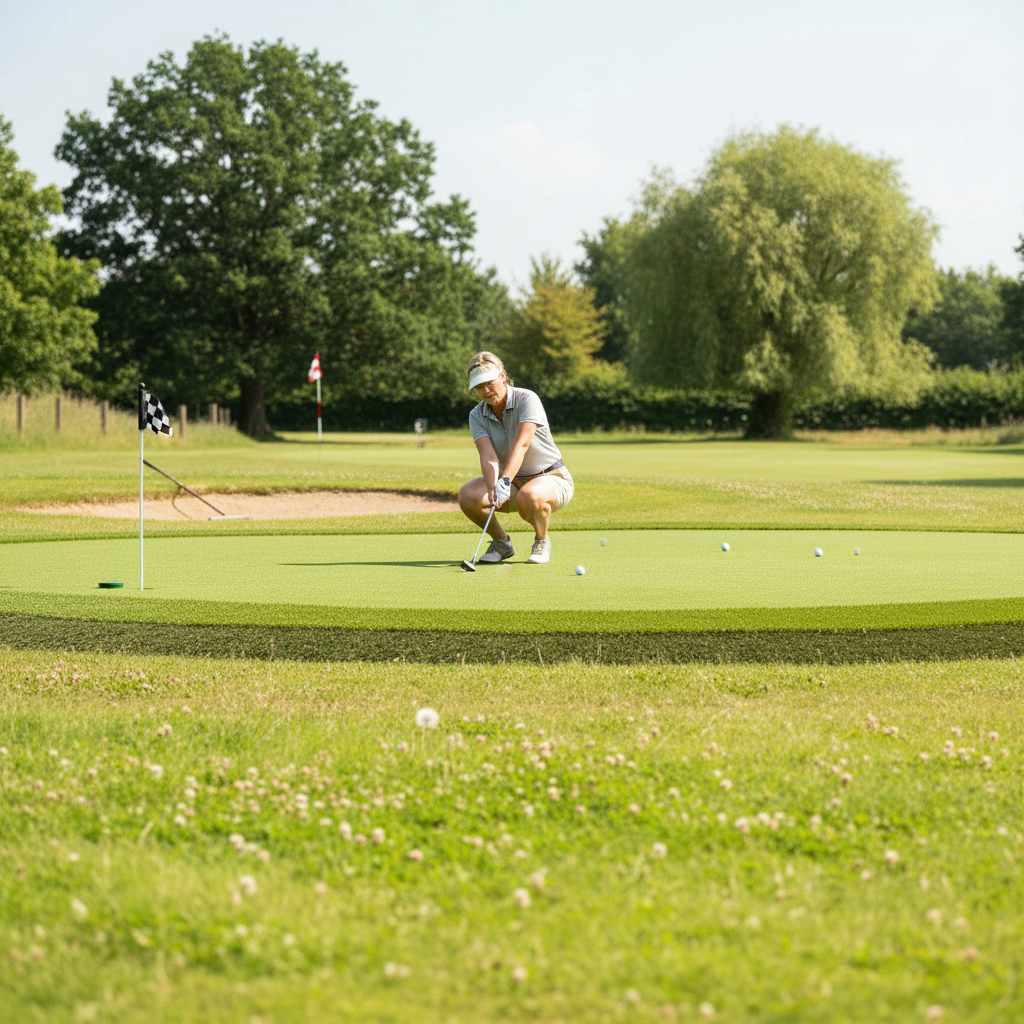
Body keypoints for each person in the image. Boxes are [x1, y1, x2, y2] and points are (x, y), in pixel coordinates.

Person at [458, 351, 574, 564]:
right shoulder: (476, 414)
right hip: (511, 484)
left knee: (529, 496)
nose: (485, 390)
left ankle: (541, 540)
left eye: (489, 383)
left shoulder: (527, 399)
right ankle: (501, 543)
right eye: (478, 387)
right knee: (468, 495)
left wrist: (504, 481)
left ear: (502, 376)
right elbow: (488, 455)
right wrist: (495, 486)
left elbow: (522, 444)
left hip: (551, 478)